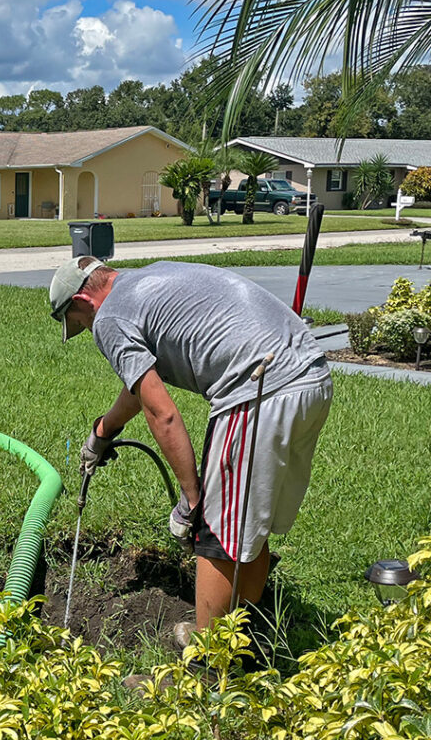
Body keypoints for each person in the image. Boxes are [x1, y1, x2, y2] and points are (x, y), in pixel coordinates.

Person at [49, 255, 332, 643]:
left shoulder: (111, 316)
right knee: (247, 526)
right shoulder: (152, 280)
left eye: (80, 322)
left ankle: (209, 659)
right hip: (311, 378)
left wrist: (192, 498)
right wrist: (103, 430)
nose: (87, 328)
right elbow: (140, 389)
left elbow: (161, 413)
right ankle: (243, 637)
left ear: (83, 300)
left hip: (257, 391)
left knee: (215, 532)